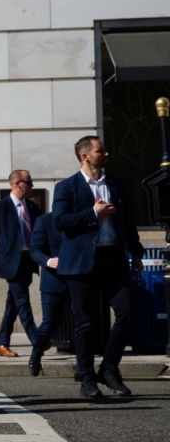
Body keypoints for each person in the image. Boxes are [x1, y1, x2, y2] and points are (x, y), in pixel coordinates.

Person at [52, 136, 143, 398]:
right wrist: (93, 214)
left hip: (113, 259)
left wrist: (136, 254)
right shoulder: (67, 187)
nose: (106, 153)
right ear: (85, 156)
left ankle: (109, 369)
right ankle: (87, 378)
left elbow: (127, 222)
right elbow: (60, 221)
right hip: (81, 263)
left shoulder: (115, 183)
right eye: (100, 150)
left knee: (127, 314)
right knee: (86, 323)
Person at [0, 170, 41, 358]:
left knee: (13, 304)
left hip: (29, 260)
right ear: (17, 184)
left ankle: (2, 343)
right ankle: (37, 340)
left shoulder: (33, 208)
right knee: (22, 301)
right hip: (11, 262)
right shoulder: (0, 208)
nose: (32, 186)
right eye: (29, 182)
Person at [28, 213, 67, 376]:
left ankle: (83, 367)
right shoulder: (44, 220)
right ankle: (36, 354)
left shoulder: (83, 219)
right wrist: (48, 261)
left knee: (83, 323)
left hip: (78, 279)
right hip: (53, 280)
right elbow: (35, 250)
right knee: (49, 323)